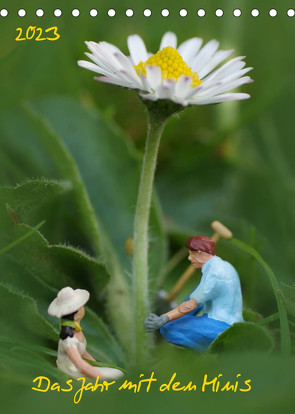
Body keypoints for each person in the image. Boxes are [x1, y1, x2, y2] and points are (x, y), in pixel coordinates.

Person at [144, 235, 243, 351]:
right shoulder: (225, 265)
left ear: (201, 253)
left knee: (167, 329)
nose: (190, 258)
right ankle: (177, 318)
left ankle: (210, 352)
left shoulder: (213, 275)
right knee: (196, 292)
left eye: (192, 254)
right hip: (233, 321)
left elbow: (191, 305)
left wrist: (162, 319)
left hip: (222, 327)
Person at [48, 287, 124, 380]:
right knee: (118, 374)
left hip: (78, 368)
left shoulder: (77, 333)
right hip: (71, 372)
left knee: (115, 372)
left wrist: (96, 364)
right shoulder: (70, 340)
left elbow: (83, 353)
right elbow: (79, 364)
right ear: (76, 313)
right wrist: (99, 376)